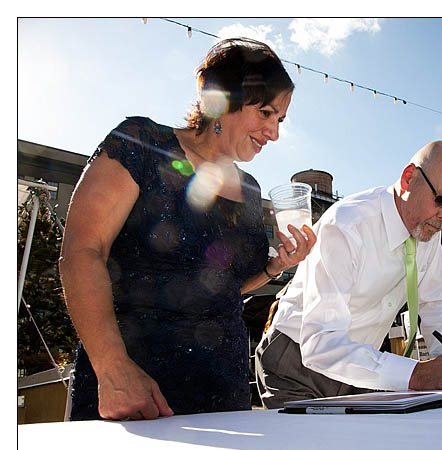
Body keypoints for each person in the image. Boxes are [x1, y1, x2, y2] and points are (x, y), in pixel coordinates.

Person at [59, 38, 316, 421]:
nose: (274, 133)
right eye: (265, 113)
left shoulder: (249, 190)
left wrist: (273, 268)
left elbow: (221, 287)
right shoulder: (142, 144)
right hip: (135, 387)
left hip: (224, 393)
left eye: (279, 120)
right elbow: (82, 251)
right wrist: (111, 367)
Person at [255, 141, 442, 409]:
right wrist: (417, 374)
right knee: (311, 448)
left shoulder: (429, 232)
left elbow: (437, 310)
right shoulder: (347, 225)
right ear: (408, 179)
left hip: (362, 365)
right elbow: (320, 344)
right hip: (295, 360)